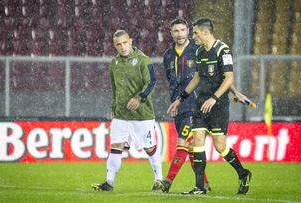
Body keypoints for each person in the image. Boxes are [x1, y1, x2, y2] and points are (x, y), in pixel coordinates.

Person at [161, 18, 253, 194]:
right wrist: (180, 98)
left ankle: (243, 173)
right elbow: (197, 78)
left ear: (205, 32)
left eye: (195, 32)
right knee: (197, 142)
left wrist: (221, 96)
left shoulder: (223, 50)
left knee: (220, 147)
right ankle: (199, 187)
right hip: (200, 103)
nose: (192, 35)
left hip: (217, 105)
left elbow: (229, 78)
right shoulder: (200, 52)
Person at [92, 30, 163, 192]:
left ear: (130, 41)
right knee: (115, 147)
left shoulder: (143, 60)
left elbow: (151, 82)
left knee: (149, 148)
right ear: (114, 45)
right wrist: (113, 109)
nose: (122, 47)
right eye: (118, 44)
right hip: (121, 115)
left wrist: (140, 98)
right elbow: (114, 88)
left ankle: (159, 179)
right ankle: (109, 182)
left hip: (142, 115)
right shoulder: (114, 63)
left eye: (125, 43)